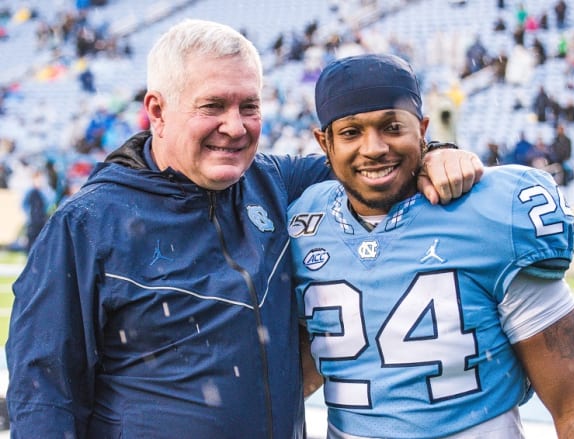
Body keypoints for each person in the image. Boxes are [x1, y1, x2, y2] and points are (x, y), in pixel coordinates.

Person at [6, 19, 483, 438]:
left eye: (249, 106)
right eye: (212, 106)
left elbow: (373, 166)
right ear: (157, 111)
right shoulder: (87, 225)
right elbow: (44, 391)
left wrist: (435, 150)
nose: (235, 127)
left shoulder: (274, 181)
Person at [288, 53, 574, 439]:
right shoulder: (302, 221)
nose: (373, 147)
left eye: (392, 127)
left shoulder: (490, 212)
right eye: (351, 132)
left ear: (422, 130)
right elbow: (297, 376)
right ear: (324, 142)